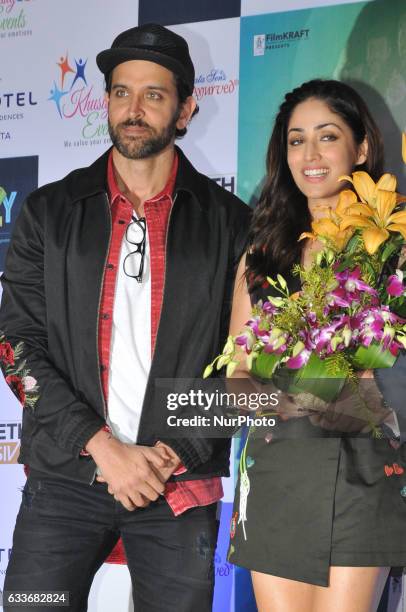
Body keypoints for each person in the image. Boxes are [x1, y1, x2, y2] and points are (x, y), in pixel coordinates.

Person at [0, 23, 250, 612]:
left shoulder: (234, 224)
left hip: (178, 486)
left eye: (154, 95)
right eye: (121, 92)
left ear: (186, 108)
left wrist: (169, 453)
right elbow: (16, 344)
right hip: (65, 479)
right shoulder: (48, 212)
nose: (133, 110)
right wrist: (106, 450)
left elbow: (248, 365)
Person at [227, 79, 406, 612]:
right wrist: (266, 400)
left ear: (362, 148)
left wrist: (366, 382)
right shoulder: (261, 256)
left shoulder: (392, 247)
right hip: (278, 468)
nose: (310, 154)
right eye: (296, 140)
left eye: (327, 137)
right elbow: (237, 371)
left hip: (363, 465)